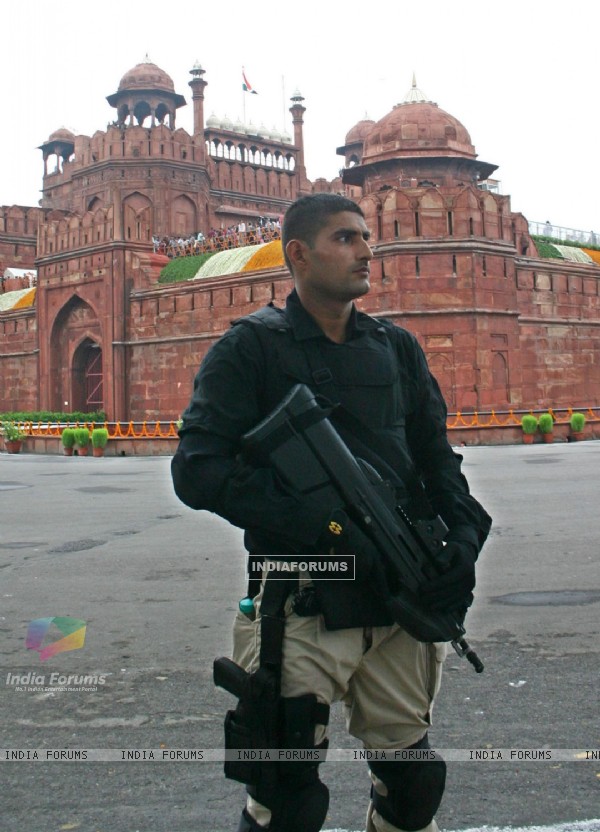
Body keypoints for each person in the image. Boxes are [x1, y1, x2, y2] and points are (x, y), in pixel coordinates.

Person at [172, 193, 492, 832]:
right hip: (302, 597)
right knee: (287, 796)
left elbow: (436, 459)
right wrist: (323, 526)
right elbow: (198, 469)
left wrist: (461, 541)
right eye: (346, 239)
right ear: (297, 254)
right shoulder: (251, 349)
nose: (367, 252)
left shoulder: (397, 348)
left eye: (367, 237)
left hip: (398, 600)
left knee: (414, 782)